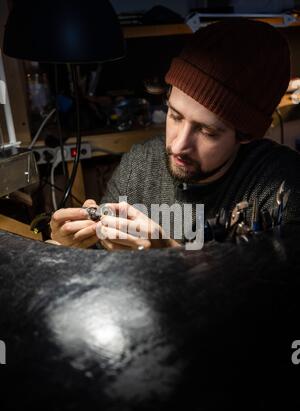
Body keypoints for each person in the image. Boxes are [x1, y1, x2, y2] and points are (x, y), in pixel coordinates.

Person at [50, 18, 300, 251]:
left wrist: (169, 253)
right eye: (175, 115)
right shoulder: (139, 164)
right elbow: (101, 259)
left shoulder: (283, 183)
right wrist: (73, 246)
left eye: (207, 131)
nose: (178, 145)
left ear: (246, 135)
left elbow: (277, 290)